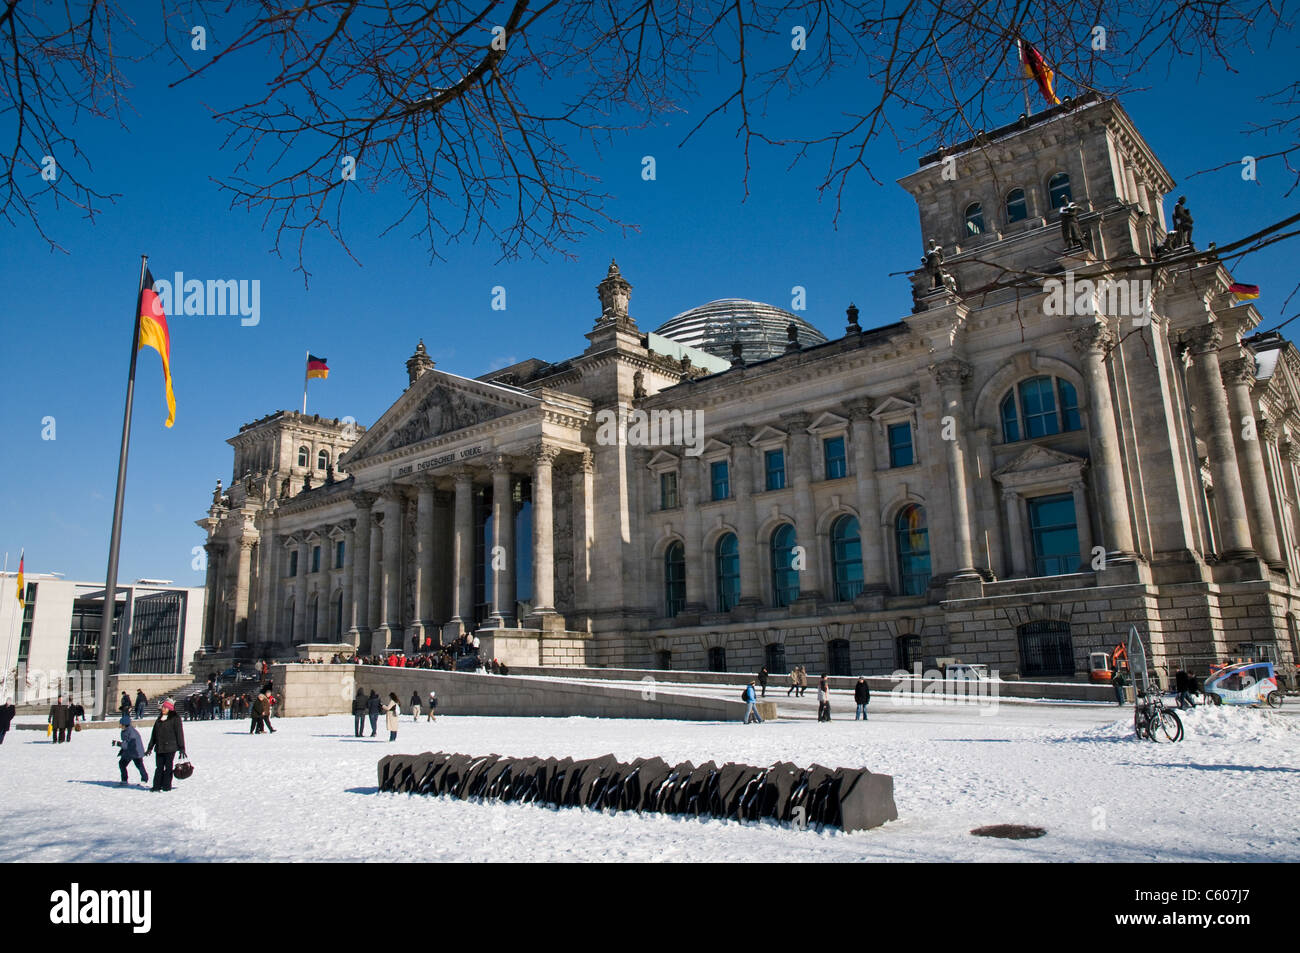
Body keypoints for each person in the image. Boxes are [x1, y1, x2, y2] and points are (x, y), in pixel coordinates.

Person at [145, 700, 186, 792]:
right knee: (159, 768)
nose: (163, 709)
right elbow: (154, 735)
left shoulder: (175, 718)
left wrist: (182, 748)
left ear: (170, 709)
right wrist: (150, 748)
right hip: (159, 747)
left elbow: (179, 734)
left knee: (168, 768)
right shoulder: (159, 719)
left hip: (170, 747)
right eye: (163, 707)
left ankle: (166, 786)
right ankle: (156, 786)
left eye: (165, 707)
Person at [115, 715, 148, 786]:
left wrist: (118, 744)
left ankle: (144, 780)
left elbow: (128, 744)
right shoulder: (124, 731)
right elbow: (125, 742)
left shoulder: (132, 733)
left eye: (121, 724)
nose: (120, 725)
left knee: (139, 765)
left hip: (135, 751)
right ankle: (124, 780)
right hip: (128, 752)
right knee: (122, 764)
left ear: (125, 724)